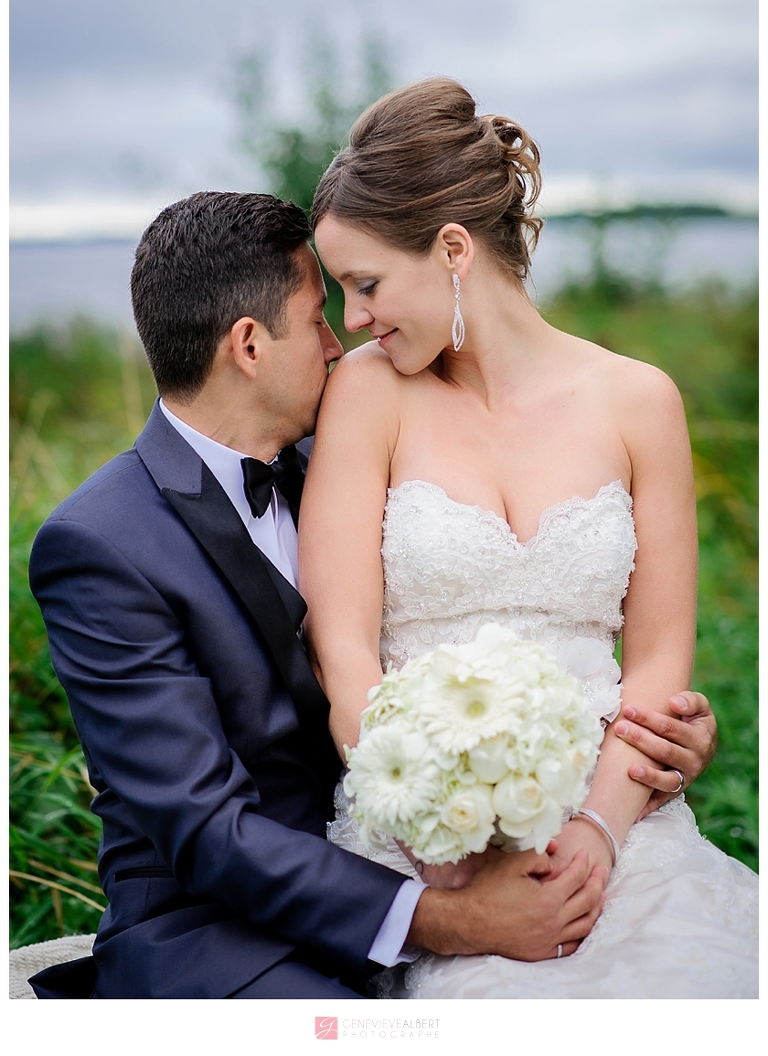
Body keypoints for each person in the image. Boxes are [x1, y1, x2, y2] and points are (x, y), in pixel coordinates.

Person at [27, 191, 718, 1000]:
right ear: (249, 345)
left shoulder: (354, 446)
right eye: (318, 316)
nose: (341, 337)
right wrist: (450, 914)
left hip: (419, 853)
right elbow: (207, 830)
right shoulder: (102, 543)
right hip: (224, 930)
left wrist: (649, 738)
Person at [300, 77, 759, 998]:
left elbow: (661, 661)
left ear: (454, 249)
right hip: (428, 844)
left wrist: (596, 831)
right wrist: (436, 836)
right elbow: (341, 648)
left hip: (618, 823)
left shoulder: (639, 401)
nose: (353, 319)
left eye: (366, 283)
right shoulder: (366, 394)